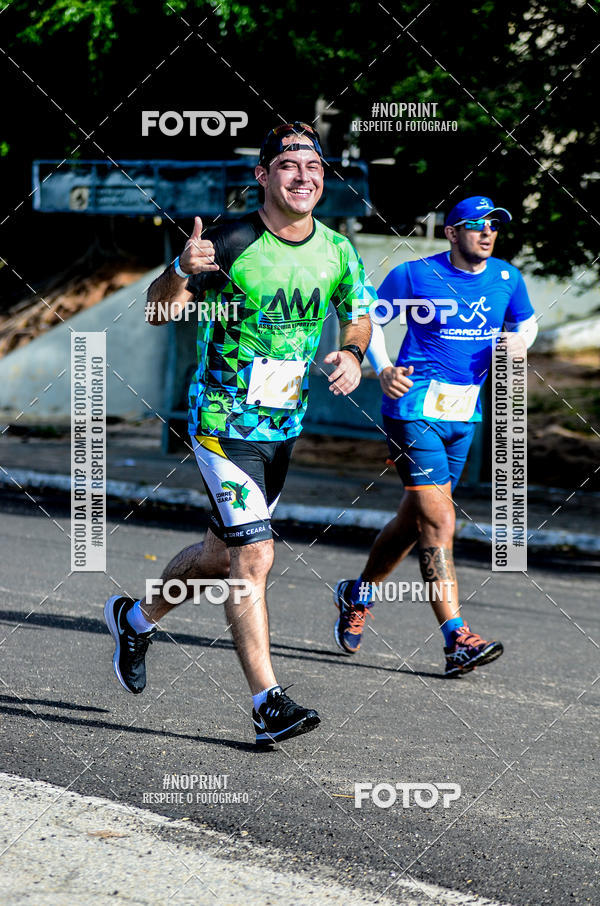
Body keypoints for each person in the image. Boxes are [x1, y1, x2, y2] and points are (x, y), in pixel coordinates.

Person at [104, 122, 374, 743]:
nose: (303, 176)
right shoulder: (229, 241)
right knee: (255, 554)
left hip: (283, 426)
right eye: (288, 166)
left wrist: (354, 355)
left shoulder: (337, 250)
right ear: (263, 176)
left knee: (218, 555)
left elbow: (357, 315)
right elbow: (157, 309)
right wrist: (178, 268)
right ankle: (266, 704)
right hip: (223, 423)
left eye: (313, 167)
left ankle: (137, 621)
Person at [333, 195, 538, 676]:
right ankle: (456, 638)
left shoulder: (508, 278)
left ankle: (357, 593)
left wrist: (515, 344)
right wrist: (380, 368)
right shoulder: (414, 274)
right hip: (412, 407)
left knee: (414, 519)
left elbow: (525, 324)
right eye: (475, 226)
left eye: (493, 226)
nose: (486, 233)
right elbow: (369, 319)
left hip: (464, 413)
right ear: (451, 232)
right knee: (440, 523)